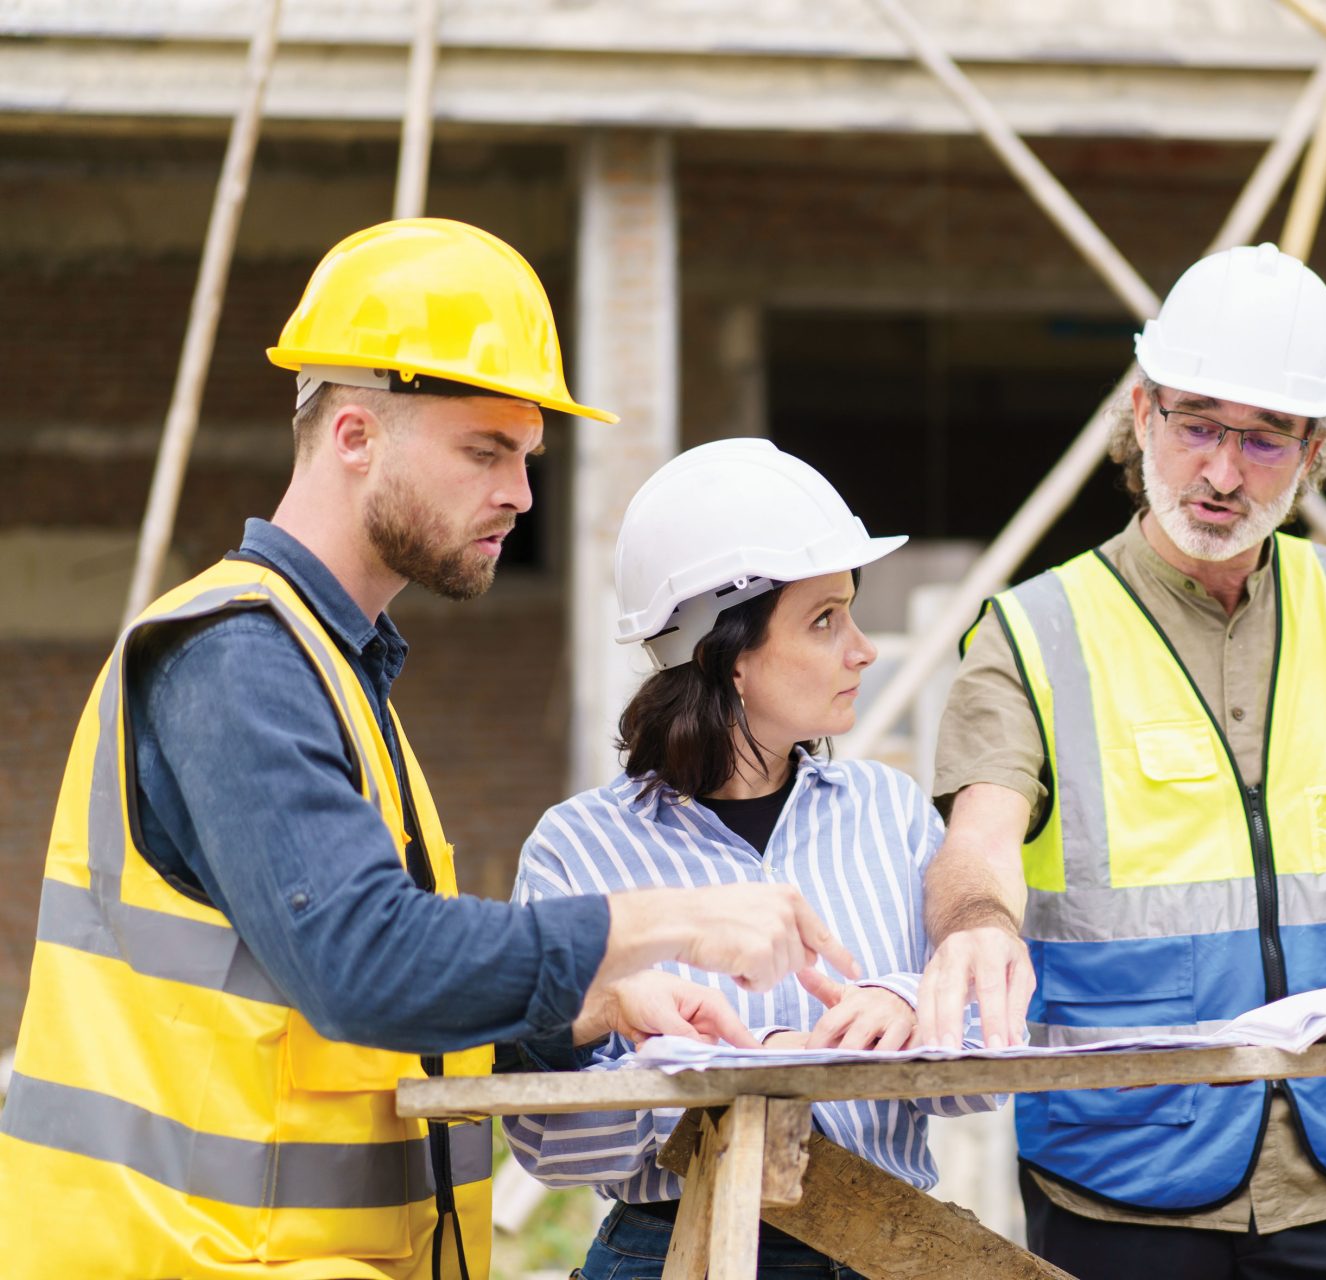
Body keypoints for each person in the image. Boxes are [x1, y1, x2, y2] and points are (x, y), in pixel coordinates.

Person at [0, 220, 854, 1280]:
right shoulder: (233, 660)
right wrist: (667, 924)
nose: (521, 494)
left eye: (528, 456)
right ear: (354, 433)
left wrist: (589, 1003)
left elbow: (378, 1014)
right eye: (484, 450)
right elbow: (365, 960)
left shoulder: (334, 672)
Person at [915, 243, 1326, 1280]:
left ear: (1317, 450)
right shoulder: (1034, 630)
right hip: (1123, 1178)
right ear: (1142, 413)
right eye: (1198, 426)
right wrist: (974, 923)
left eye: (1266, 439)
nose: (1224, 472)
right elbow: (982, 835)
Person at [504, 438, 1000, 1280]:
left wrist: (911, 1002)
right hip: (672, 1249)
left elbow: (988, 1057)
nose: (863, 650)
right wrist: (725, 1085)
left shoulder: (891, 815)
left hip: (891, 1244)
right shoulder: (578, 850)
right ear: (728, 656)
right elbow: (543, 1133)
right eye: (824, 620)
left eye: (851, 611)